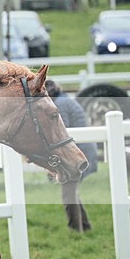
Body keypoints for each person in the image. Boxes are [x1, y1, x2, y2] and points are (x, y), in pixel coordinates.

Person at [45, 80, 98, 233]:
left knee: (68, 193)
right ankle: (84, 227)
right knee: (71, 191)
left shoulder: (59, 105)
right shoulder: (64, 99)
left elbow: (61, 134)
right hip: (84, 150)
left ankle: (76, 230)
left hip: (79, 153)